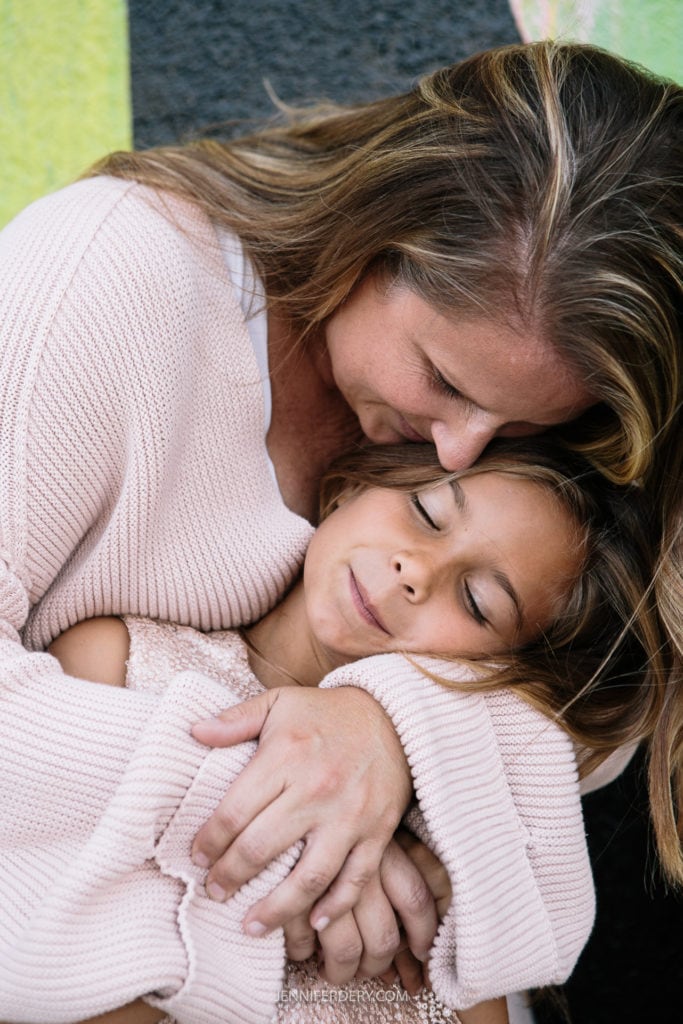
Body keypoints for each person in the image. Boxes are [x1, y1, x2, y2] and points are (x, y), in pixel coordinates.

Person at [0, 35, 680, 1018]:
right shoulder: (107, 283)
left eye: (519, 426)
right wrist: (290, 817)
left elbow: (604, 694)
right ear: (370, 232)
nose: (459, 450)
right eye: (441, 380)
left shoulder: (532, 386)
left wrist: (398, 733)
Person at [44, 438, 656, 1024]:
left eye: (476, 601)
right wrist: (294, 881)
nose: (414, 568)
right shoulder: (118, 665)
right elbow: (39, 973)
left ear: (499, 675)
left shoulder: (444, 855)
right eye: (426, 511)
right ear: (354, 485)